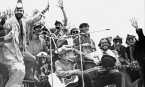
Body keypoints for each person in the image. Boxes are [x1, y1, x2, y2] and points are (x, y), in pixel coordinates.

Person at [0, 0, 49, 87]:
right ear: (15, 12)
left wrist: (44, 10)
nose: (19, 12)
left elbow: (34, 19)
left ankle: (27, 75)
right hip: (10, 52)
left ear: (23, 12)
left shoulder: (24, 21)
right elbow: (5, 25)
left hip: (21, 51)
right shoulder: (10, 21)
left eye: (21, 11)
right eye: (17, 10)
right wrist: (2, 21)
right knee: (19, 69)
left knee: (32, 59)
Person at [126, 17, 145, 87]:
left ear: (135, 39)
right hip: (134, 69)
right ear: (127, 41)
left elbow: (142, 38)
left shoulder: (139, 44)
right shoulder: (127, 49)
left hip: (142, 66)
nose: (130, 40)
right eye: (128, 39)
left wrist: (137, 27)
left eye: (132, 39)